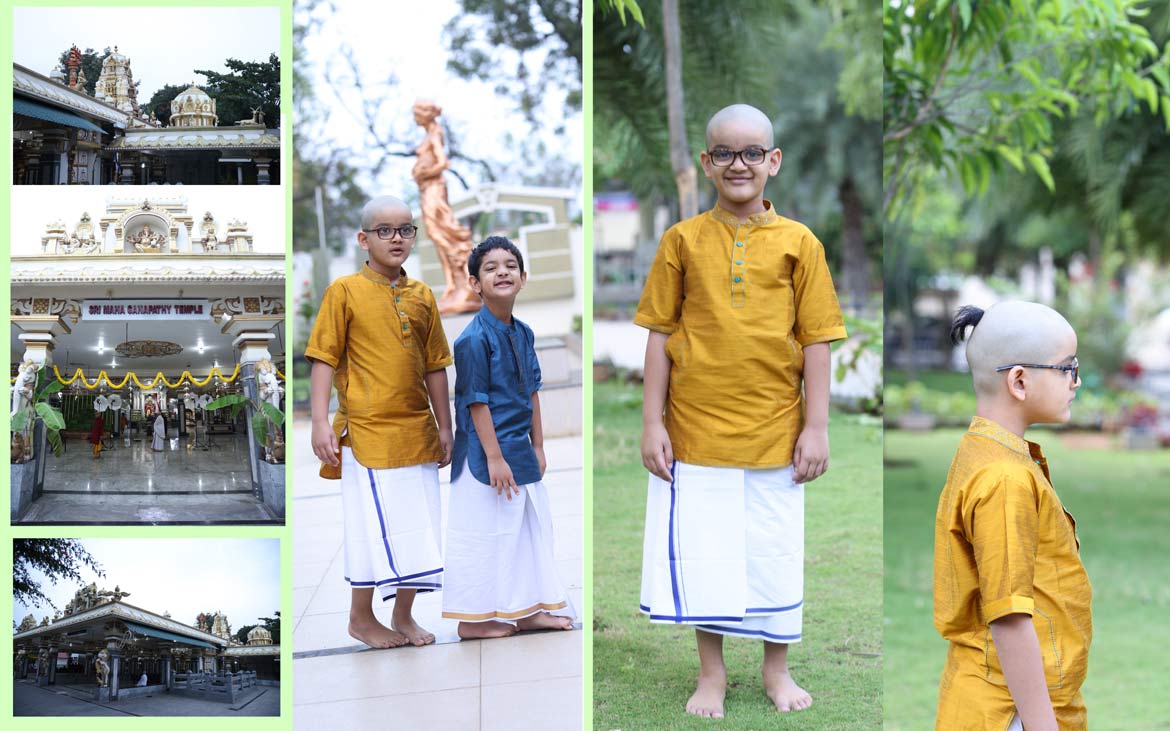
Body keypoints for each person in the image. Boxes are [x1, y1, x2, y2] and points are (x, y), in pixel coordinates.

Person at [636, 103, 847, 719]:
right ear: (706, 163)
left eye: (752, 152)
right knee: (709, 557)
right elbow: (657, 334)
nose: (738, 164)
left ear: (772, 162)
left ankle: (777, 671)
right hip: (695, 433)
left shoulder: (799, 243)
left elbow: (816, 341)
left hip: (777, 434)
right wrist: (653, 422)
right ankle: (712, 674)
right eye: (724, 153)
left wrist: (816, 427)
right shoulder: (681, 240)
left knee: (774, 552)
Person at [935, 302, 1091, 731]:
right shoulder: (1004, 478)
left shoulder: (990, 453)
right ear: (1020, 381)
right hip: (1011, 712)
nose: (1077, 381)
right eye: (1067, 368)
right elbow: (1009, 617)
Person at [306, 195, 453, 649]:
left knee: (419, 529)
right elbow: (323, 360)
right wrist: (318, 422)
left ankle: (404, 615)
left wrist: (446, 428)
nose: (396, 238)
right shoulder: (344, 292)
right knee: (371, 530)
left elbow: (435, 367)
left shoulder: (423, 295)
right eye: (384, 230)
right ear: (363, 239)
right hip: (367, 434)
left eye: (405, 229)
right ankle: (361, 617)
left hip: (418, 432)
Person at [441, 237, 575, 639]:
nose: (502, 272)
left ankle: (529, 610)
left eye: (510, 265)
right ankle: (473, 621)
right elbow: (475, 403)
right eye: (491, 267)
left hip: (520, 450)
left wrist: (538, 445)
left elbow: (533, 389)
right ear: (475, 284)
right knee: (485, 535)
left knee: (528, 531)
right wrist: (495, 458)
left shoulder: (524, 332)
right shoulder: (472, 340)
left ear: (523, 277)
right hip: (485, 458)